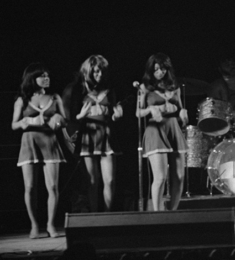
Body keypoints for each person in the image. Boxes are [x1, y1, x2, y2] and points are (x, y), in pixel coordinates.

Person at [11, 63, 66, 238]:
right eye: (42, 76)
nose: (46, 78)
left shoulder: (55, 97)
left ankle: (50, 224)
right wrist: (26, 122)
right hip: (29, 142)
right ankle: (34, 225)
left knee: (52, 186)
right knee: (30, 186)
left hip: (49, 141)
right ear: (32, 79)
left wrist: (57, 120)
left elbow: (64, 120)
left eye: (47, 75)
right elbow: (14, 124)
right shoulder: (22, 99)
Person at [63, 55, 123, 212]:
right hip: (88, 135)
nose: (100, 75)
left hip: (107, 134)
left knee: (109, 180)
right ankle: (95, 216)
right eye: (96, 72)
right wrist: (80, 117)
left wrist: (116, 115)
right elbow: (70, 118)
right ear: (89, 72)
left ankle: (108, 215)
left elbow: (114, 112)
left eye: (102, 72)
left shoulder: (109, 90)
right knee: (92, 181)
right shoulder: (78, 90)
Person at [136, 53, 189, 211]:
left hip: (173, 129)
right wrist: (152, 109)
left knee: (179, 177)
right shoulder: (145, 87)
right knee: (160, 177)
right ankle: (158, 214)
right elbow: (138, 113)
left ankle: (172, 213)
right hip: (155, 130)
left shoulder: (175, 87)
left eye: (163, 69)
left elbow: (179, 109)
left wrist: (182, 114)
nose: (160, 72)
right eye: (156, 69)